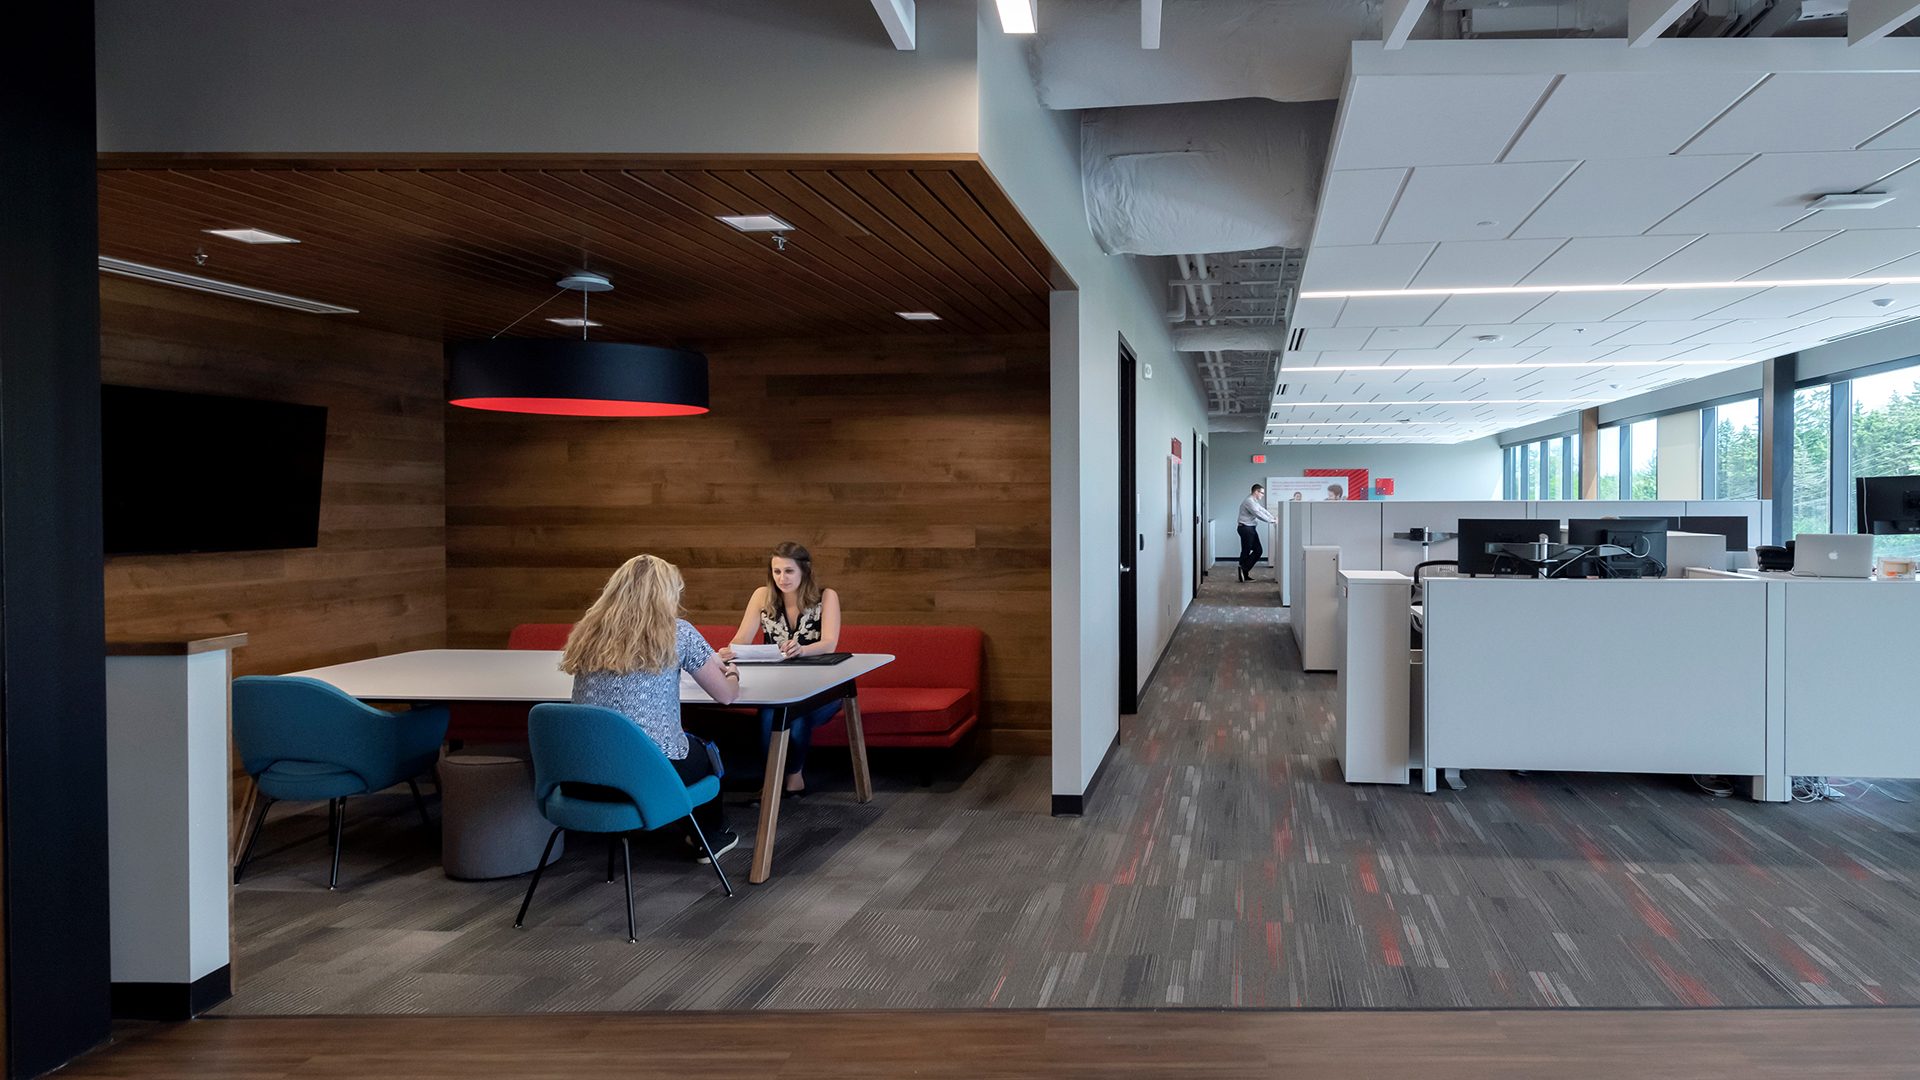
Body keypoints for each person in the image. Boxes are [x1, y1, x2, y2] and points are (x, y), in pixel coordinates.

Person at [561, 553, 741, 860]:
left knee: (675, 749)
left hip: (583, 776)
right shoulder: (677, 631)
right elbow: (725, 695)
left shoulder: (589, 631)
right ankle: (707, 838)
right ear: (668, 593)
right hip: (645, 775)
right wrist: (734, 672)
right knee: (705, 754)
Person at [721, 541, 843, 797]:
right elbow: (742, 637)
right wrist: (731, 650)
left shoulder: (826, 596)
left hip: (820, 684)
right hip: (777, 683)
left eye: (788, 571)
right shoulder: (762, 597)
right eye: (777, 571)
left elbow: (830, 642)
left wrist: (802, 649)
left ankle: (792, 775)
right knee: (772, 713)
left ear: (804, 571)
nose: (782, 578)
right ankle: (775, 778)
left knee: (796, 712)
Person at [1236, 483, 1276, 582]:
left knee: (1257, 550)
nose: (1262, 495)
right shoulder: (1249, 501)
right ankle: (1243, 571)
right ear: (1256, 492)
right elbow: (1258, 514)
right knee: (1248, 550)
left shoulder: (1254, 501)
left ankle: (1243, 571)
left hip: (1249, 528)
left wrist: (1272, 517)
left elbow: (1262, 510)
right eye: (1261, 493)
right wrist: (1272, 521)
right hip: (1246, 528)